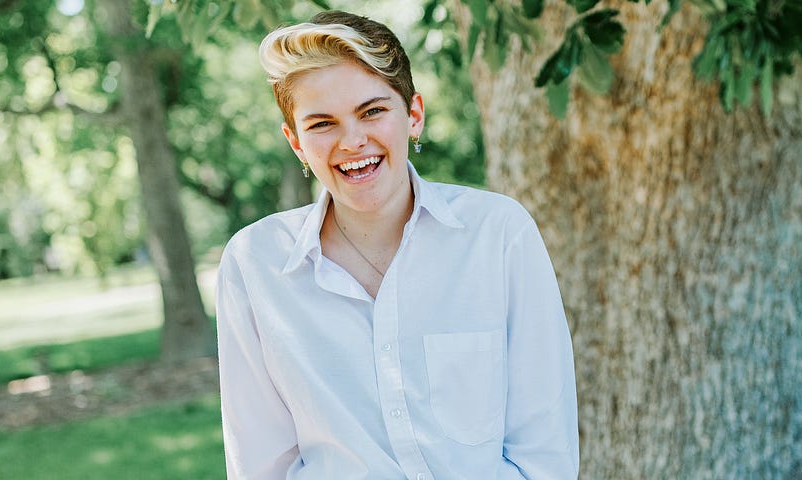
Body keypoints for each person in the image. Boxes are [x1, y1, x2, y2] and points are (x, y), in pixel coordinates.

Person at [216, 11, 579, 480]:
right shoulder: (255, 264)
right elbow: (259, 463)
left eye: (372, 111)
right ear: (296, 144)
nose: (352, 140)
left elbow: (544, 452)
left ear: (414, 114)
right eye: (322, 123)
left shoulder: (498, 234)